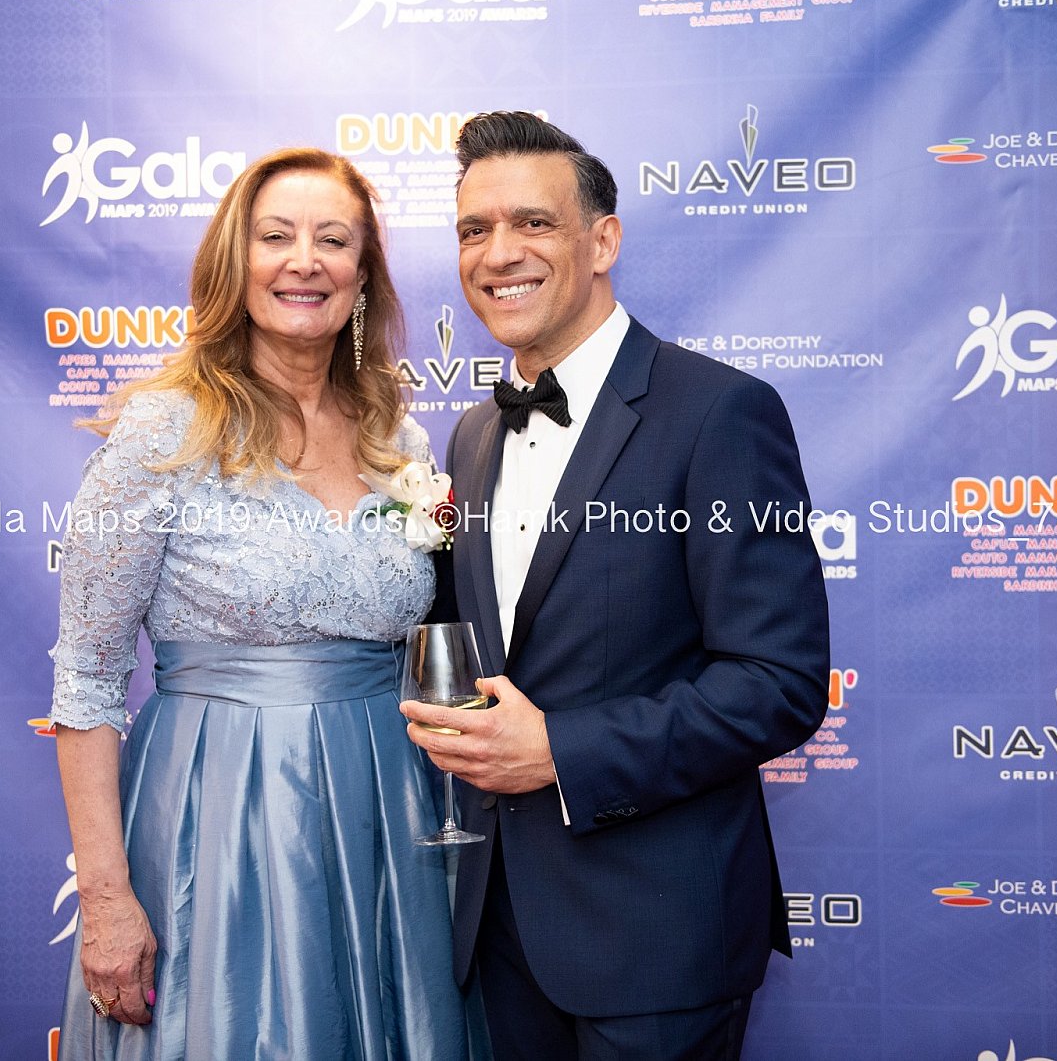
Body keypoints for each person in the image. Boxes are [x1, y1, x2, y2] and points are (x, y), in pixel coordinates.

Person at [402, 112, 831, 1060]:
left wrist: (561, 750)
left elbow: (780, 682)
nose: (498, 253)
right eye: (474, 229)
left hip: (658, 942)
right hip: (496, 934)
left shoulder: (721, 413)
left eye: (534, 222)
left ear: (603, 242)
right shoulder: (471, 435)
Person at [50, 147, 468, 1060]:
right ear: (232, 263)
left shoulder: (396, 436)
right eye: (275, 237)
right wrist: (107, 897)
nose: (304, 260)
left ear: (363, 274)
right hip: (220, 813)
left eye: (334, 240)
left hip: (389, 812)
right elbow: (86, 678)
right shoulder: (162, 432)